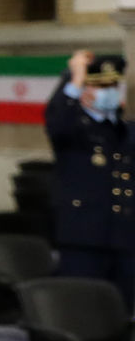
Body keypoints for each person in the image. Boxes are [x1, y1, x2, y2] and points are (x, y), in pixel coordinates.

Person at [45, 50, 135, 314]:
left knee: (120, 312)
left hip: (124, 238)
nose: (109, 91)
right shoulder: (73, 131)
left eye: (113, 85)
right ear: (83, 90)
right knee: (81, 312)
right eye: (99, 85)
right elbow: (57, 121)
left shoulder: (126, 131)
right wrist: (74, 77)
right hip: (83, 238)